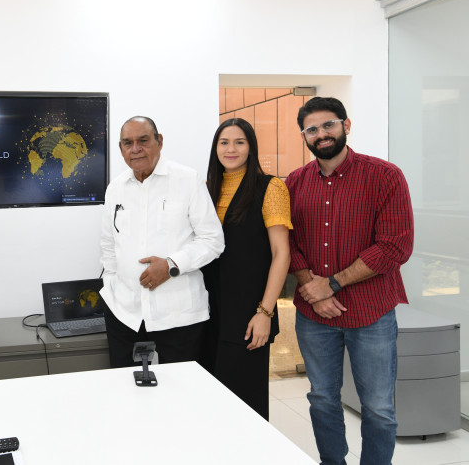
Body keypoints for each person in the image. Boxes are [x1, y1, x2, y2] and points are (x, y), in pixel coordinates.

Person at [287, 97, 413, 465]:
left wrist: (333, 284)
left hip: (371, 313)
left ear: (346, 125)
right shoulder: (294, 182)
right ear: (304, 136)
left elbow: (394, 247)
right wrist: (312, 288)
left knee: (377, 407)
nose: (321, 134)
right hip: (314, 316)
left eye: (328, 125)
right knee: (322, 399)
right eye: (312, 129)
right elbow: (287, 241)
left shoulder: (385, 176)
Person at [100, 116, 224, 368]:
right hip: (124, 313)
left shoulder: (188, 180)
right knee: (125, 389)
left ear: (159, 141)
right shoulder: (116, 188)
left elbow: (213, 240)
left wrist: (170, 265)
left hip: (178, 315)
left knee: (181, 392)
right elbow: (108, 243)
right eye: (127, 143)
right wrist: (111, 282)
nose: (135, 149)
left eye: (143, 140)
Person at [202, 118, 291, 420]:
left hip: (248, 314)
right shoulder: (206, 190)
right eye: (224, 142)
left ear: (251, 147)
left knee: (243, 404)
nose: (231, 149)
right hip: (208, 311)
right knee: (211, 399)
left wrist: (265, 312)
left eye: (239, 142)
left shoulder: (271, 188)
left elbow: (281, 254)